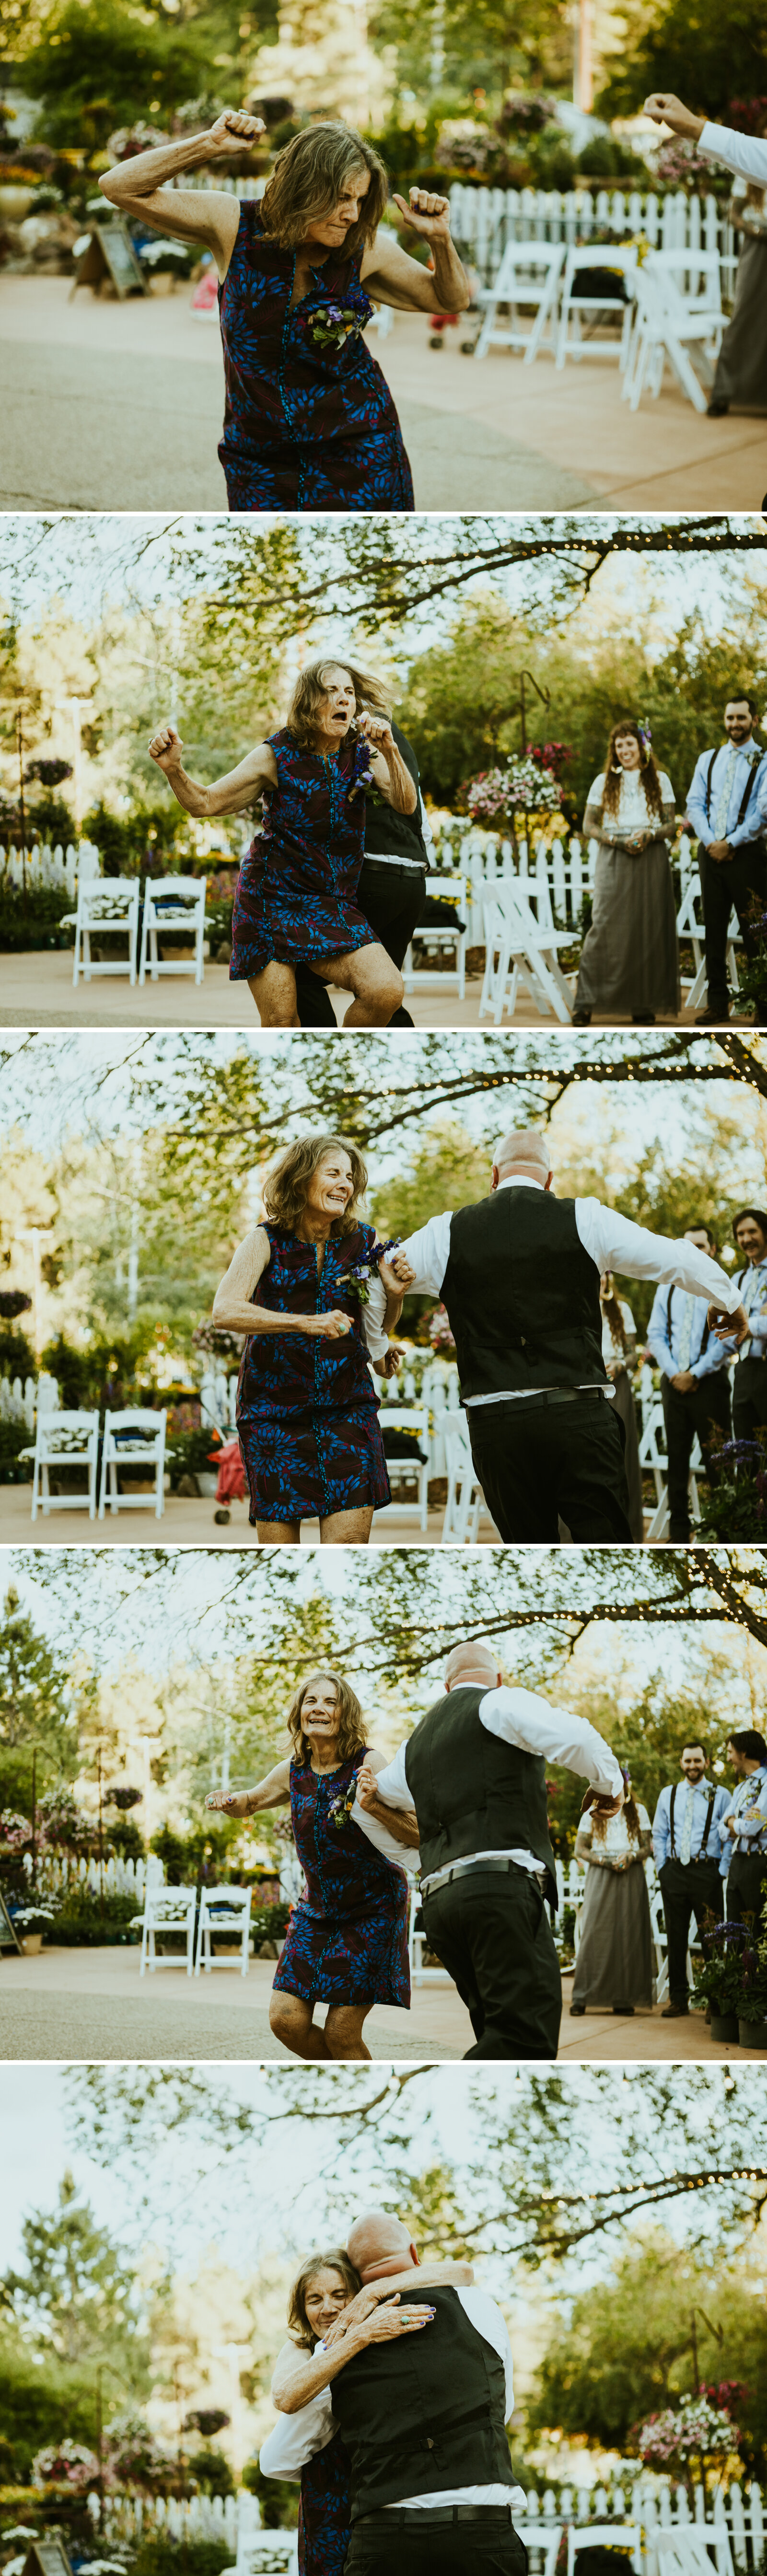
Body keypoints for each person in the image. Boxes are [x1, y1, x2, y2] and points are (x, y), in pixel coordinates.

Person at [378, 1127, 748, 1545]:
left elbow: (379, 1273)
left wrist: (377, 1346)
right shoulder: (586, 1217)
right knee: (607, 1551)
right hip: (579, 1420)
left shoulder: (446, 1232)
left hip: (497, 1427)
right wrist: (730, 1299)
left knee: (529, 1554)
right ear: (549, 1180)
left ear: (494, 1175)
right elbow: (674, 1255)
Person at [100, 116, 469, 512]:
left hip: (360, 451)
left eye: (360, 201)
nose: (352, 214)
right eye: (343, 198)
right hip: (259, 461)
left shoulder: (365, 250)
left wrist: (440, 241)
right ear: (304, 188)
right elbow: (118, 187)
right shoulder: (233, 226)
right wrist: (210, 143)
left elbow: (450, 300)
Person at [353, 1637, 625, 2059]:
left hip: (442, 1908)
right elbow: (580, 1739)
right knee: (525, 2040)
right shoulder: (499, 1703)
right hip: (500, 1895)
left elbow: (364, 1809)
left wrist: (424, 1861)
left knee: (496, 2035)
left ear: (447, 1687)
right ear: (497, 1678)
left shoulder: (414, 1745)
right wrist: (610, 1787)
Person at [149, 661, 417, 1028]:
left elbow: (406, 804)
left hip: (331, 903)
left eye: (350, 693)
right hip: (270, 900)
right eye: (332, 691)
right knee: (282, 1021)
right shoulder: (276, 754)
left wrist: (390, 750)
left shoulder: (362, 751)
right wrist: (173, 769)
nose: (344, 699)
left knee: (386, 990)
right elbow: (206, 803)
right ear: (309, 702)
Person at [263, 2207, 529, 2576]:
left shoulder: (334, 2349)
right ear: (416, 2255)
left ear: (355, 2280)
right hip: (482, 2532)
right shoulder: (479, 2306)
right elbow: (499, 2410)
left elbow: (278, 2458)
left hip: (386, 2539)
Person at [206, 1667, 417, 2062]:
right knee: (286, 2021)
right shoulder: (293, 1769)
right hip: (316, 1911)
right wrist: (229, 1800)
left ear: (345, 1713)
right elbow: (250, 1801)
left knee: (341, 2033)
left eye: (330, 1701)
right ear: (300, 1712)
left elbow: (416, 1830)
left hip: (373, 1909)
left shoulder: (369, 1763)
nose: (319, 1708)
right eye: (311, 1700)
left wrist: (371, 1804)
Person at [212, 1134, 403, 1544]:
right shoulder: (263, 1240)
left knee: (349, 1547)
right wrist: (304, 1323)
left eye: (349, 1177)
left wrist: (396, 1297)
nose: (345, 1185)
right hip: (274, 1417)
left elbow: (376, 1324)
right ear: (301, 1179)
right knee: (280, 1551)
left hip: (348, 1409)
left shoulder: (364, 1243)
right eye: (333, 1173)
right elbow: (225, 1310)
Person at [292, 711, 432, 1031]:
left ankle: (325, 1049)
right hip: (412, 880)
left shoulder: (350, 729)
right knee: (385, 992)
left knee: (298, 975)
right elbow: (422, 823)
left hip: (370, 874)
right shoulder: (393, 733)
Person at [573, 718, 678, 1025]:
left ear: (641, 746)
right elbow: (588, 825)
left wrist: (649, 835)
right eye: (619, 746)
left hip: (652, 857)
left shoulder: (660, 780)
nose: (624, 750)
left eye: (629, 744)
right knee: (603, 927)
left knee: (646, 930)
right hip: (613, 857)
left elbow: (671, 824)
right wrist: (616, 840)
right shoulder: (603, 782)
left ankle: (641, 1004)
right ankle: (586, 1003)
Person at [645, 1222, 734, 1542]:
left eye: (701, 1246)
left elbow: (729, 1339)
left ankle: (724, 1533)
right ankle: (679, 1534)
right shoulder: (666, 1287)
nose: (694, 1252)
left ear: (711, 1250)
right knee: (677, 1462)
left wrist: (695, 1373)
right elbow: (656, 1334)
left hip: (709, 1386)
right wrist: (674, 1374)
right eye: (688, 1246)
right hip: (674, 1386)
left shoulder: (722, 1287)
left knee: (719, 1462)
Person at [685, 693, 767, 1026]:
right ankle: (718, 1003)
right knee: (714, 929)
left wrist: (730, 843)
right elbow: (694, 804)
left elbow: (764, 812)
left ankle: (762, 1003)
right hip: (710, 854)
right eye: (730, 718)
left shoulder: (764, 760)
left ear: (754, 720)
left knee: (756, 931)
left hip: (747, 854)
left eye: (741, 718)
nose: (735, 724)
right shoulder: (708, 758)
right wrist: (711, 842)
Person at [651, 1738, 731, 2018]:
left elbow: (729, 1836)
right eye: (688, 1761)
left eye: (697, 1761)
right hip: (674, 1872)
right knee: (676, 1936)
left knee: (712, 1937)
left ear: (706, 1763)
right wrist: (663, 1868)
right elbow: (659, 1834)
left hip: (706, 1872)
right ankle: (678, 1999)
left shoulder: (721, 1795)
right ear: (681, 1763)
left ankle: (715, 2000)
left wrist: (722, 1871)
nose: (692, 1766)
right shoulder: (668, 1794)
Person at [569, 1770, 653, 2019]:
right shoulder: (591, 1813)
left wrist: (631, 1856)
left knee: (628, 1934)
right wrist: (603, 1861)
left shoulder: (639, 1811)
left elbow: (647, 1847)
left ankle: (623, 1998)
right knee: (595, 1932)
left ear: (626, 1783)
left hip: (632, 1874)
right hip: (601, 1873)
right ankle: (582, 1997)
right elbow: (580, 1849)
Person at [707, 131, 767, 420]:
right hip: (758, 245)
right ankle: (724, 393)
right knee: (744, 313)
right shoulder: (751, 166)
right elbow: (735, 215)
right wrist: (755, 231)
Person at [600, 1271, 643, 1540]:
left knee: (622, 1454)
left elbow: (633, 1353)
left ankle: (628, 1532)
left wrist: (620, 1365)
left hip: (618, 1386)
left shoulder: (621, 1309)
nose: (600, 1279)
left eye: (603, 1273)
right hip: (583, 1388)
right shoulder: (574, 1304)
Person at [721, 1726, 767, 1929]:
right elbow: (721, 1831)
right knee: (733, 1930)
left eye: (731, 1752)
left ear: (744, 1753)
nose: (728, 1759)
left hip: (759, 1864)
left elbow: (752, 1827)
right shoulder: (740, 1789)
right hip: (736, 1863)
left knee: (757, 1930)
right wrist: (733, 1824)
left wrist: (732, 1822)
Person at [730, 1206, 767, 1443]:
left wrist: (742, 1324)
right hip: (743, 1370)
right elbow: (726, 1326)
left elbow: (736, 1324)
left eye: (752, 1231)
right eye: (740, 1234)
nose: (746, 1239)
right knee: (745, 1451)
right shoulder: (736, 1280)